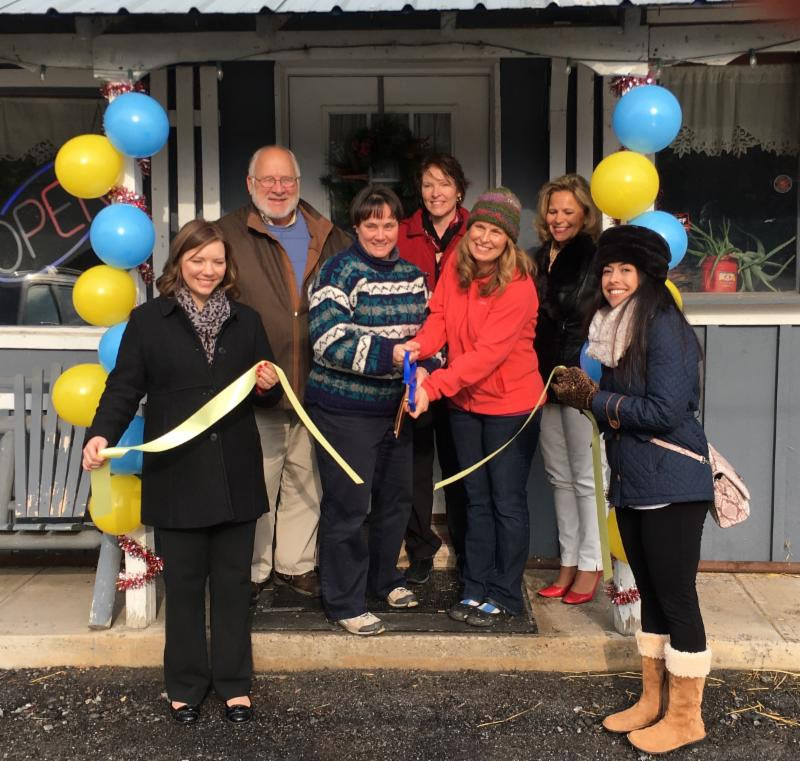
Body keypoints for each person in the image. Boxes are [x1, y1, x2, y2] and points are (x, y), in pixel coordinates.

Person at [82, 220, 281, 724]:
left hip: (235, 473)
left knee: (233, 585)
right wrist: (101, 433)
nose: (207, 270)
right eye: (197, 260)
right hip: (177, 475)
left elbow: (267, 394)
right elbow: (124, 387)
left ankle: (234, 684)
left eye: (217, 261)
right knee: (186, 587)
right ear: (179, 263)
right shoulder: (148, 320)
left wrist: (268, 384)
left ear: (227, 266)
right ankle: (186, 685)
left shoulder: (248, 320)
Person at [551, 225, 714, 755]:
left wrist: (596, 401)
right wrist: (595, 400)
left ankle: (686, 717)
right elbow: (625, 410)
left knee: (676, 598)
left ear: (647, 276)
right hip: (635, 479)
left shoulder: (664, 327)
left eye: (625, 269)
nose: (613, 279)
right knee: (651, 593)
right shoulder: (614, 328)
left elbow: (665, 410)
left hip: (672, 481)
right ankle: (652, 700)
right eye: (607, 269)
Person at [401, 187, 545, 627]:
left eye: (495, 232)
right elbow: (440, 319)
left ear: (508, 239)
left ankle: (506, 594)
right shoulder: (456, 268)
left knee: (506, 502)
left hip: (510, 407)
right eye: (479, 227)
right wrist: (418, 347)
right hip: (465, 404)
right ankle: (475, 586)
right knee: (474, 499)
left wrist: (433, 387)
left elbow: (486, 356)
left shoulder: (518, 286)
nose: (484, 238)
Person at [306, 184, 442, 636]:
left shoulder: (413, 275)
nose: (380, 233)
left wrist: (424, 372)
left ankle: (384, 580)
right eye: (371, 225)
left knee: (395, 501)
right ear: (356, 227)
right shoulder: (338, 271)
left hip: (397, 410)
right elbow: (327, 339)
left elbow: (433, 338)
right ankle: (345, 601)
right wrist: (393, 355)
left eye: (388, 224)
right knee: (348, 506)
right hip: (344, 411)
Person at [217, 145, 351, 602]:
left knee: (306, 477)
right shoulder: (228, 235)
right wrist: (241, 366)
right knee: (258, 479)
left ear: (298, 183)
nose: (278, 189)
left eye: (286, 180)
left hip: (317, 384)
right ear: (250, 185)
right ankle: (254, 569)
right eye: (268, 180)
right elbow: (210, 305)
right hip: (258, 385)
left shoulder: (329, 235)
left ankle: (296, 564)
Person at [531, 174, 604, 605]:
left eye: (568, 211)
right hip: (541, 380)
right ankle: (569, 560)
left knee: (586, 478)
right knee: (558, 477)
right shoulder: (538, 256)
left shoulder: (594, 257)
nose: (558, 219)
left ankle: (591, 563)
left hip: (579, 377)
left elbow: (575, 314)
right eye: (552, 210)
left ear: (585, 214)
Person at [397, 154, 470, 585]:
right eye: (428, 184)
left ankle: (467, 550)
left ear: (459, 189)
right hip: (419, 368)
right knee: (416, 465)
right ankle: (420, 547)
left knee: (461, 464)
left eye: (444, 183)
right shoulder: (403, 233)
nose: (436, 192)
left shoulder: (477, 232)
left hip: (463, 368)